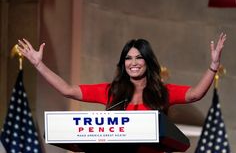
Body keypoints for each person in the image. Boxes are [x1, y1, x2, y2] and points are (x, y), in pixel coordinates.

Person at [18, 33, 226, 153]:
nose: (133, 63)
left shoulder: (163, 92)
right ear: (123, 63)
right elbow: (68, 90)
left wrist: (213, 66)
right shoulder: (112, 91)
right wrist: (39, 65)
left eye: (138, 58)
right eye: (128, 58)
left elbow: (195, 94)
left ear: (148, 61)